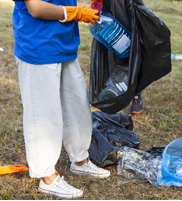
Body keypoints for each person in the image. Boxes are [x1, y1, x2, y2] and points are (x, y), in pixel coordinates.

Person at [13, 0, 111, 198]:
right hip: (38, 45)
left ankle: (80, 160)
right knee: (44, 115)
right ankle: (47, 176)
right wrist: (75, 12)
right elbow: (37, 8)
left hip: (64, 44)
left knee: (77, 107)